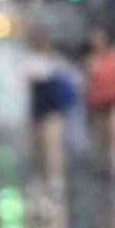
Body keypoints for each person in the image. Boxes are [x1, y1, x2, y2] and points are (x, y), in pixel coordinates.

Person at [85, 25, 115, 182]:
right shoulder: (91, 61)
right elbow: (88, 84)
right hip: (98, 104)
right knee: (101, 138)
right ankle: (104, 167)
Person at [27, 31, 71, 192]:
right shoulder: (32, 60)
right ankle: (41, 177)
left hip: (54, 109)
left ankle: (55, 177)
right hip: (39, 109)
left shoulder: (57, 61)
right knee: (39, 146)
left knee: (53, 145)